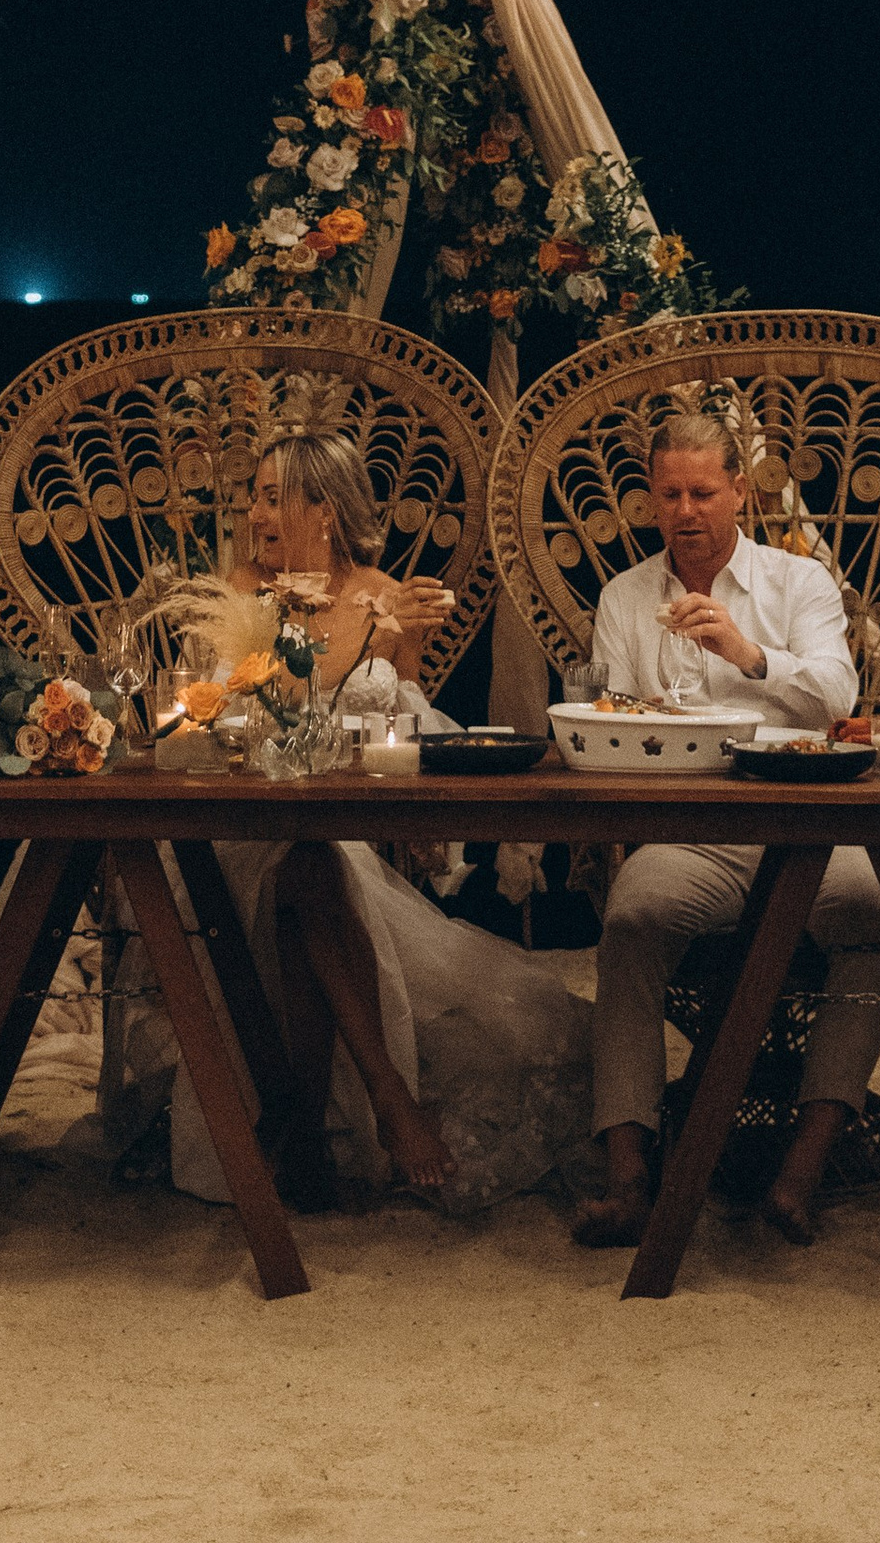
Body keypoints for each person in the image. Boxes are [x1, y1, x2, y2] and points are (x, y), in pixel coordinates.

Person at [166, 429, 592, 1217]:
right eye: (255, 495)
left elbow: (397, 719)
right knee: (305, 871)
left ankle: (300, 1131)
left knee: (312, 872)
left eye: (270, 495)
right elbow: (259, 705)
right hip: (232, 822)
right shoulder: (243, 589)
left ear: (321, 510)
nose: (254, 511)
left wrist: (404, 653)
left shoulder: (380, 589)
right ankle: (388, 1099)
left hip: (337, 827)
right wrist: (368, 631)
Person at [571, 400, 880, 1252]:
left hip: (805, 823)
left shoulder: (799, 584)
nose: (685, 512)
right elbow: (610, 710)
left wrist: (748, 654)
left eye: (703, 493)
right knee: (630, 921)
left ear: (740, 495)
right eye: (669, 494)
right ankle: (629, 1176)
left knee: (876, 914)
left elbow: (840, 695)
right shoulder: (625, 595)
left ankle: (805, 1162)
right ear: (651, 497)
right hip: (687, 831)